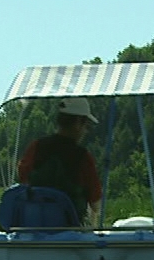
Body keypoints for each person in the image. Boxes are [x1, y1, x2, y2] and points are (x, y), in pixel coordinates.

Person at [17, 97, 102, 227]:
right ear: (78, 123)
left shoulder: (35, 147)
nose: (86, 131)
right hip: (69, 232)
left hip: (33, 227)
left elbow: (23, 180)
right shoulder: (83, 157)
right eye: (86, 126)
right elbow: (95, 203)